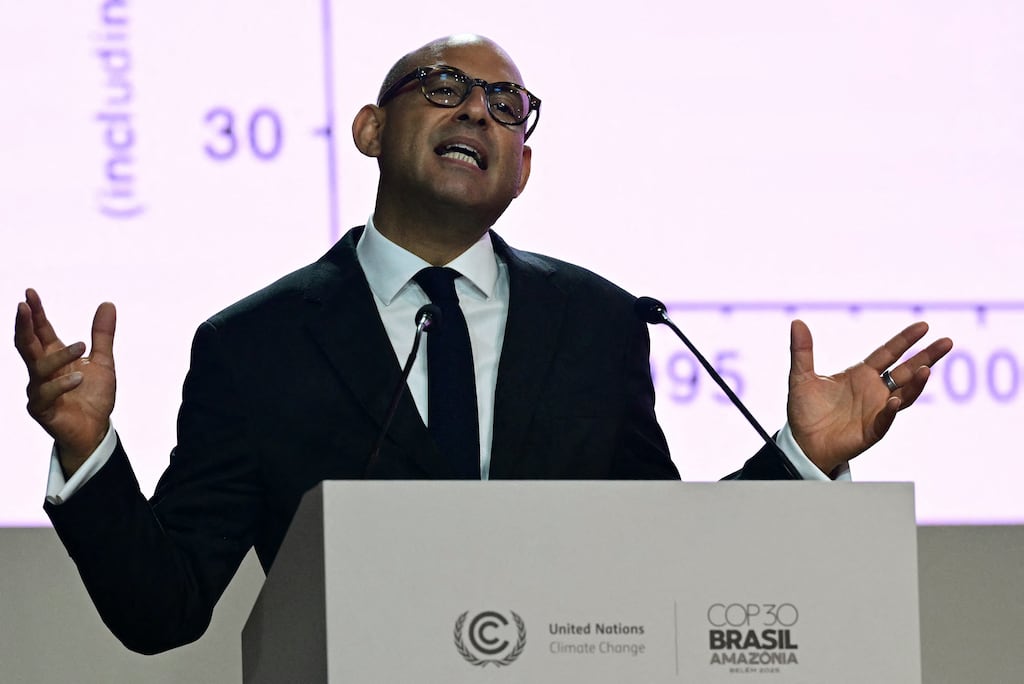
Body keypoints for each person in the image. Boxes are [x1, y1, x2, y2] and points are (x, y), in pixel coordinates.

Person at [14, 34, 952, 654]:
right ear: (372, 129)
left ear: (525, 169)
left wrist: (801, 459)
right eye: (446, 89)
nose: (477, 113)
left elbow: (668, 556)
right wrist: (87, 451)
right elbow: (163, 610)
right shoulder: (254, 344)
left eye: (509, 107)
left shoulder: (599, 322)